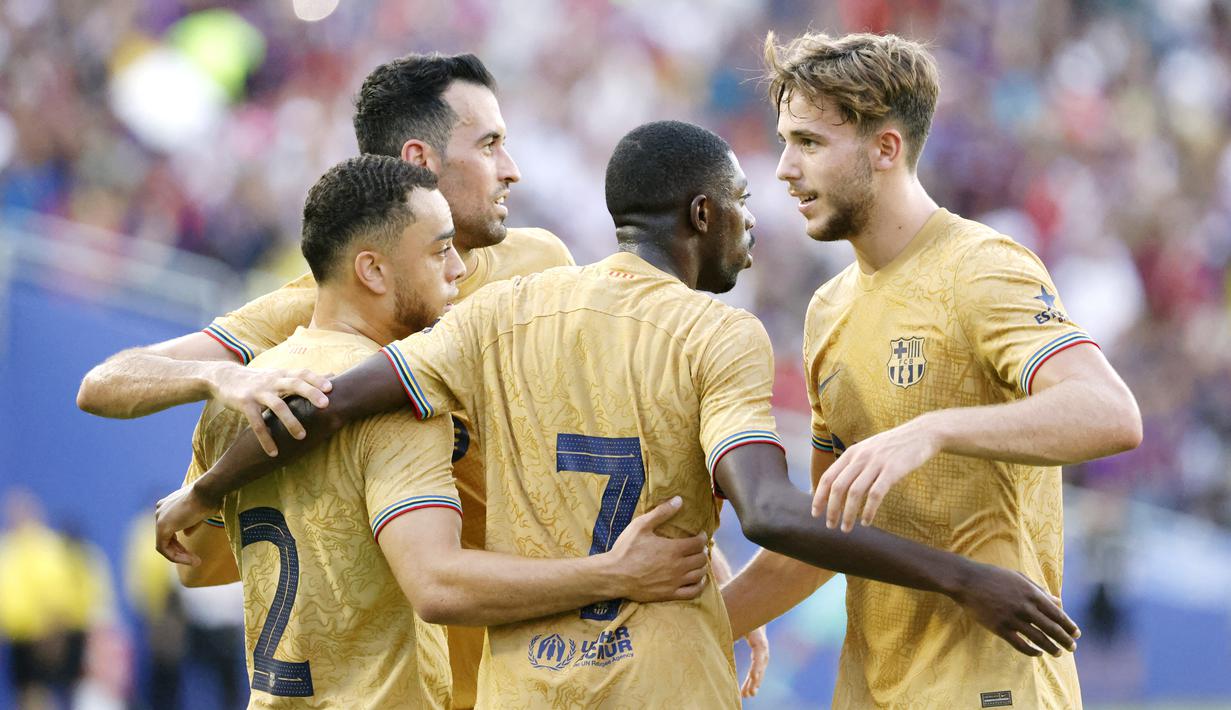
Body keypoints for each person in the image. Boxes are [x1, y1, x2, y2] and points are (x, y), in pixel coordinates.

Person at [156, 121, 1080, 708]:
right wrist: (961, 579)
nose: (756, 231)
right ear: (701, 211)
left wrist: (203, 490)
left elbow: (324, 404)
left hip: (526, 686)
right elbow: (770, 513)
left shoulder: (497, 316)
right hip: (658, 685)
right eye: (744, 208)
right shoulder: (715, 336)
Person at [171, 154, 709, 708]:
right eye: (439, 250)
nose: (458, 269)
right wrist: (612, 574)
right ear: (373, 271)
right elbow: (438, 584)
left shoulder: (242, 394)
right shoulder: (404, 407)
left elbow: (195, 564)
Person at [723, 32, 1143, 708]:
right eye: (783, 140)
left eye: (807, 143)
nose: (782, 168)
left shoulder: (980, 267)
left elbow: (1109, 414)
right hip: (870, 685)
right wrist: (699, 631)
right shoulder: (827, 310)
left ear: (885, 148)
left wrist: (934, 429)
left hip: (986, 683)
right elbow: (832, 532)